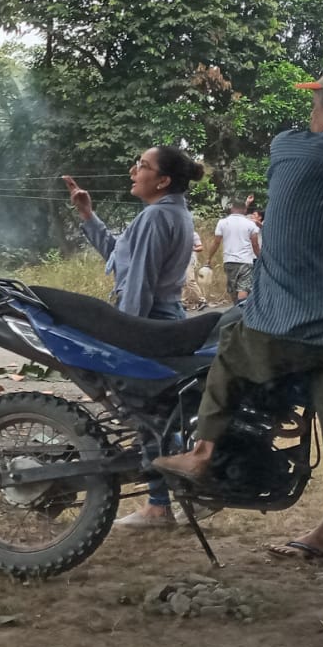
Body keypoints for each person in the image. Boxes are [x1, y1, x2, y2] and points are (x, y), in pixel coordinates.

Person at [154, 70, 323, 608]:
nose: (310, 113)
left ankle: (202, 452)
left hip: (287, 322)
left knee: (230, 352)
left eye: (317, 104)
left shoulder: (291, 149)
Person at [63, 145, 204, 528]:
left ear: (163, 180)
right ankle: (185, 494)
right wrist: (88, 215)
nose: (132, 171)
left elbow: (139, 284)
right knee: (161, 414)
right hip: (165, 318)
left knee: (146, 412)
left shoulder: (156, 217)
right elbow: (120, 256)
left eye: (142, 165)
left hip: (149, 320)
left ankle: (160, 505)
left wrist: (124, 337)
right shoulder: (171, 212)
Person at [205, 199, 259, 303]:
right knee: (244, 288)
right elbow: (255, 244)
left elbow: (216, 242)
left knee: (233, 289)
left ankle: (236, 307)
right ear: (245, 209)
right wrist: (260, 257)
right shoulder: (250, 224)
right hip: (245, 260)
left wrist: (209, 258)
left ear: (232, 208)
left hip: (229, 260)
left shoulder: (223, 222)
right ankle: (241, 308)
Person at [183, 230, 208, 311]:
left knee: (190, 280)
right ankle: (183, 303)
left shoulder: (193, 234)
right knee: (182, 281)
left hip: (190, 259)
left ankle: (202, 300)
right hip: (180, 260)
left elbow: (200, 247)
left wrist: (190, 248)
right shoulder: (178, 233)